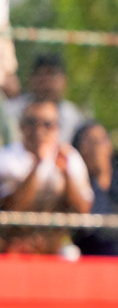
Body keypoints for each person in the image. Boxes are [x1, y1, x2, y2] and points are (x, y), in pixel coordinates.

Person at [0, 98, 92, 253]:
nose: (39, 129)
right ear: (21, 125)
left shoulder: (70, 157)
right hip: (13, 243)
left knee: (71, 254)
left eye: (47, 124)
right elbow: (13, 208)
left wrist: (66, 174)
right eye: (31, 122)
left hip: (56, 244)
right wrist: (37, 165)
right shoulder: (7, 158)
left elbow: (83, 209)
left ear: (57, 128)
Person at [72, 120, 118, 258]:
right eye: (91, 142)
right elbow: (90, 228)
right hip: (87, 253)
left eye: (102, 140)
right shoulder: (75, 183)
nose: (98, 147)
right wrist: (100, 180)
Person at [4, 53, 89, 148]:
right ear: (31, 79)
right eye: (41, 75)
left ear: (64, 80)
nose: (46, 81)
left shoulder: (73, 116)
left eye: (52, 74)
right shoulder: (11, 110)